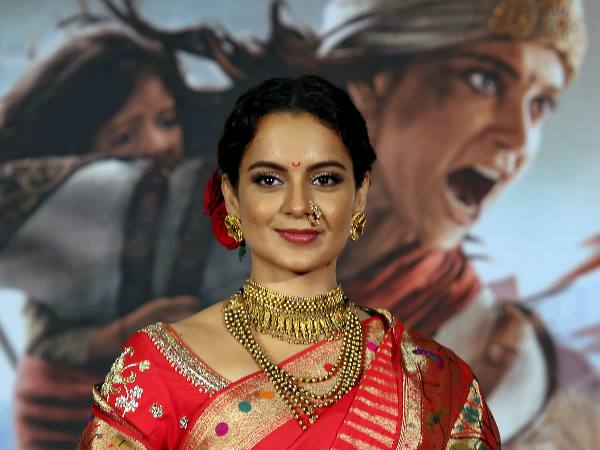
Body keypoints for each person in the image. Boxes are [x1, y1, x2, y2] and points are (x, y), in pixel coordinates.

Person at [77, 75, 500, 449]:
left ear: (359, 196)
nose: (298, 205)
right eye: (269, 179)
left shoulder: (432, 380)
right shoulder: (156, 371)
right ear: (231, 197)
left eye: (325, 179)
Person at [0, 28, 215, 449]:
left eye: (166, 121)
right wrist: (120, 333)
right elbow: (48, 340)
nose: (160, 145)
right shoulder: (66, 247)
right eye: (125, 136)